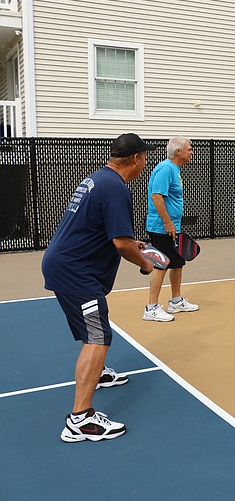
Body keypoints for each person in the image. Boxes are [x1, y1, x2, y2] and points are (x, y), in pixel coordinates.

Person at [41, 133, 157, 442]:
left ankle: (99, 373)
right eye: (146, 157)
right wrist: (145, 264)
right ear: (136, 159)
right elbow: (120, 244)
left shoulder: (98, 179)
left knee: (92, 327)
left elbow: (107, 231)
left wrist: (135, 244)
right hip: (76, 273)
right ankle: (80, 420)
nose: (146, 162)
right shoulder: (116, 189)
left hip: (66, 265)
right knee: (97, 335)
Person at [143, 136, 199, 321]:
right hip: (162, 227)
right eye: (189, 149)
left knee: (177, 262)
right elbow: (157, 196)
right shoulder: (166, 168)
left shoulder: (174, 169)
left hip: (172, 226)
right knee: (161, 264)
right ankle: (151, 308)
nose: (192, 152)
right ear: (178, 152)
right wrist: (167, 222)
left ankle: (175, 301)